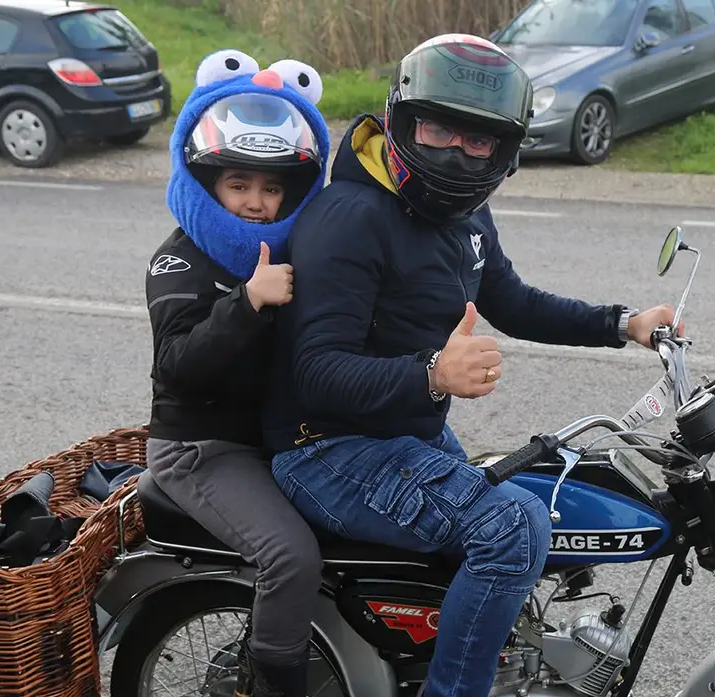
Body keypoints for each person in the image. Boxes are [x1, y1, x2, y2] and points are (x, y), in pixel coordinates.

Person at [263, 34, 677, 697]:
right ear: (404, 121)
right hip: (325, 449)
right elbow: (316, 371)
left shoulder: (466, 215)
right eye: (437, 128)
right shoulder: (350, 217)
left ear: (504, 152)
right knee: (512, 525)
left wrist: (620, 322)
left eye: (478, 141)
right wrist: (431, 374)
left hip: (402, 433)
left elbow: (511, 299)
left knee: (546, 499)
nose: (455, 151)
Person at [144, 49, 331, 697]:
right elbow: (178, 366)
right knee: (291, 554)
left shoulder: (289, 253)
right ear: (209, 184)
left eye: (272, 188)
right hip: (199, 447)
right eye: (239, 185)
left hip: (269, 438)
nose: (256, 202)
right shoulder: (180, 261)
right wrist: (247, 301)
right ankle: (275, 680)